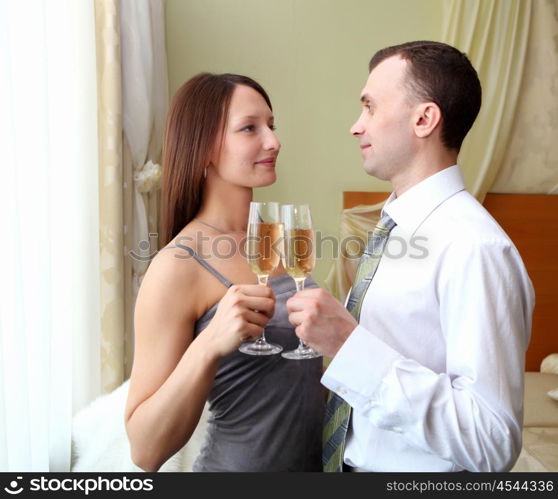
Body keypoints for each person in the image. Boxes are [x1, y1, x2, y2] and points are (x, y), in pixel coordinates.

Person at [286, 41, 534, 472]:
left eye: (370, 107)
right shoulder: (392, 228)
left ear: (424, 119)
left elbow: (492, 441)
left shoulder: (474, 249)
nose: (355, 126)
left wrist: (348, 346)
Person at [125, 73, 323, 472]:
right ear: (204, 148)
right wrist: (209, 342)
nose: (273, 141)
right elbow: (145, 451)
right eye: (250, 128)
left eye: (271, 125)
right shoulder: (178, 265)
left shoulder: (275, 242)